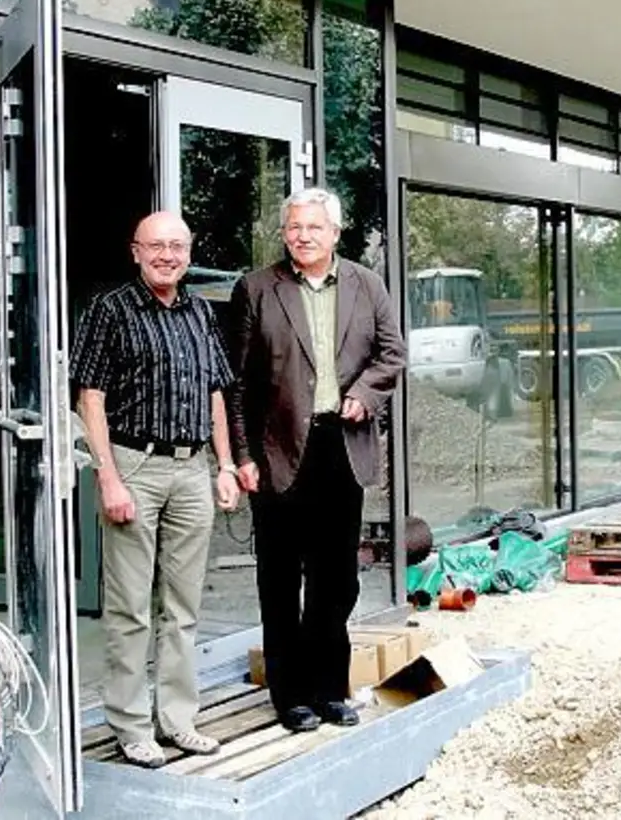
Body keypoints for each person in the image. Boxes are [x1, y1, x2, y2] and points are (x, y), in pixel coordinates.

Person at [227, 187, 407, 733]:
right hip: (278, 449)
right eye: (294, 227)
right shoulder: (257, 288)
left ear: (335, 232)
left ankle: (329, 690)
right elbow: (237, 383)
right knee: (280, 580)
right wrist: (242, 454)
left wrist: (366, 394)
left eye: (314, 227)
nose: (303, 236)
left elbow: (392, 354)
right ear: (284, 233)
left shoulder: (366, 284)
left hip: (341, 447)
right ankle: (291, 697)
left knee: (336, 581)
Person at [72, 211, 242, 769]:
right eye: (156, 246)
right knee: (129, 609)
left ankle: (178, 719)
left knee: (183, 606)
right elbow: (90, 399)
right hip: (134, 466)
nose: (167, 255)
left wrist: (224, 465)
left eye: (177, 246)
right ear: (136, 252)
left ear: (188, 253)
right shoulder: (110, 310)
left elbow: (216, 393)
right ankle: (130, 726)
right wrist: (108, 477)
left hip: (192, 468)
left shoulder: (200, 312)